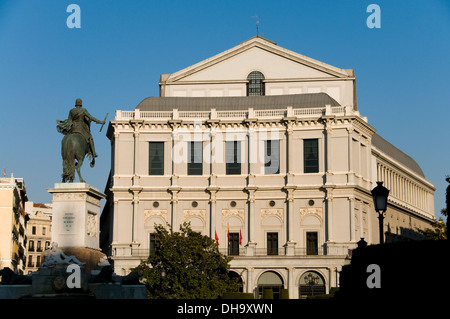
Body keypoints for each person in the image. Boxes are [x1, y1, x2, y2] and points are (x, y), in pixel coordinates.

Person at [57, 98, 105, 164]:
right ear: (81, 104)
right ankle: (93, 153)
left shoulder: (71, 111)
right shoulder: (83, 110)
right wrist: (100, 122)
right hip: (81, 128)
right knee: (90, 138)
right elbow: (91, 117)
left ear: (76, 104)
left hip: (73, 128)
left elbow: (69, 120)